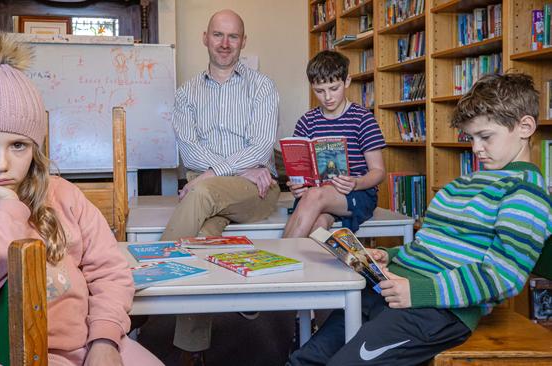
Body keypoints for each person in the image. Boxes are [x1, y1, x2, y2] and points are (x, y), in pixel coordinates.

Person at [0, 32, 163, 366]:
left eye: (18, 146)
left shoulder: (64, 195)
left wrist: (105, 339)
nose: (0, 164)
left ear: (34, 149)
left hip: (89, 343)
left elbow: (110, 272)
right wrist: (7, 209)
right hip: (7, 356)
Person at [287, 73, 552, 366]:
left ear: (525, 127)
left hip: (437, 307)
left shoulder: (525, 193)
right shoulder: (460, 186)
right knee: (305, 358)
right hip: (391, 286)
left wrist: (418, 291)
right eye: (471, 138)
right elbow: (429, 247)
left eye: (486, 137)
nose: (476, 149)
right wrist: (387, 256)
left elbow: (503, 276)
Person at [160, 9, 280, 366]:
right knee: (200, 234)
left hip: (254, 191)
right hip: (228, 182)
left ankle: (143, 280)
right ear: (205, 37)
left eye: (233, 36)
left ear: (244, 41)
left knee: (200, 192)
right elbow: (189, 148)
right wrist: (235, 170)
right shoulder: (186, 94)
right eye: (218, 35)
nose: (225, 44)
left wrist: (211, 174)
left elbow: (261, 147)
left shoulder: (262, 86)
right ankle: (191, 349)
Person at [283, 50, 386, 238]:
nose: (327, 97)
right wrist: (296, 185)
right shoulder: (307, 121)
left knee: (315, 195)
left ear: (347, 81)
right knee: (319, 222)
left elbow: (378, 171)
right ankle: (308, 266)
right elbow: (298, 172)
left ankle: (280, 260)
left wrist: (356, 182)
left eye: (334, 88)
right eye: (319, 91)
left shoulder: (363, 119)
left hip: (356, 193)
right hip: (316, 197)